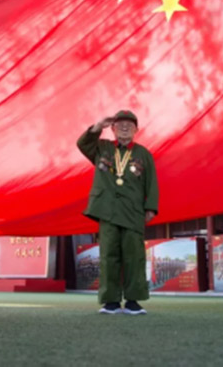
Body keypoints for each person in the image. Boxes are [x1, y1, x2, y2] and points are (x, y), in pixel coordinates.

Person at [77, 110, 158, 315]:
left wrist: (150, 208)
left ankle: (133, 301)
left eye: (129, 125)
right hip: (108, 211)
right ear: (112, 129)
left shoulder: (143, 153)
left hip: (132, 211)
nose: (124, 127)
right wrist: (98, 126)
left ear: (136, 130)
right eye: (120, 124)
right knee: (108, 255)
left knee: (134, 256)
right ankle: (110, 302)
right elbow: (82, 144)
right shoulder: (101, 148)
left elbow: (152, 184)